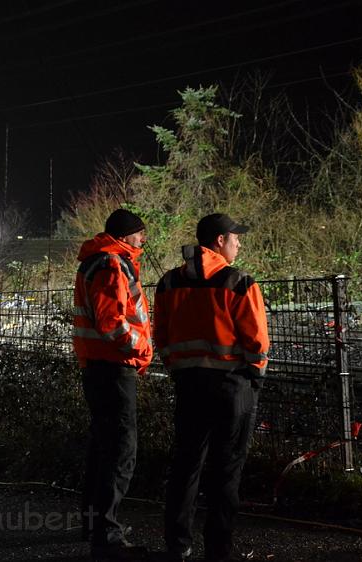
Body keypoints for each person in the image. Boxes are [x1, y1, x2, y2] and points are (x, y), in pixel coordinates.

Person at [153, 213, 269, 562]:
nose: (239, 242)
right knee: (226, 469)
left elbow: (162, 336)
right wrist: (254, 374)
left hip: (189, 384)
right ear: (219, 240)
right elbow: (257, 342)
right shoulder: (239, 282)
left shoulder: (169, 283)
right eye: (236, 237)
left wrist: (177, 367)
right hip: (232, 387)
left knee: (186, 464)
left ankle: (177, 544)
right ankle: (218, 550)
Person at [73, 208, 153, 560]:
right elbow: (114, 323)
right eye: (139, 234)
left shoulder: (95, 261)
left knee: (102, 446)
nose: (143, 240)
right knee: (121, 449)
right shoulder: (111, 265)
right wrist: (141, 349)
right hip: (113, 366)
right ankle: (107, 536)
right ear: (125, 236)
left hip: (96, 366)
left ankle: (94, 525)